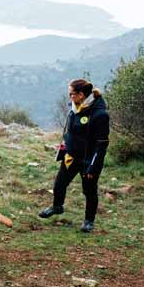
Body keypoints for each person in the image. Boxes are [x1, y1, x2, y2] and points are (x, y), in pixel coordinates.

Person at [39, 79, 110, 232]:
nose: (69, 96)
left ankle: (89, 221)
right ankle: (57, 207)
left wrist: (93, 166)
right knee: (59, 184)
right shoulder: (75, 107)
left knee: (89, 191)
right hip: (71, 157)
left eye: (72, 93)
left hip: (88, 161)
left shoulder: (100, 114)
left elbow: (102, 144)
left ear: (81, 94)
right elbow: (70, 131)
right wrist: (64, 147)